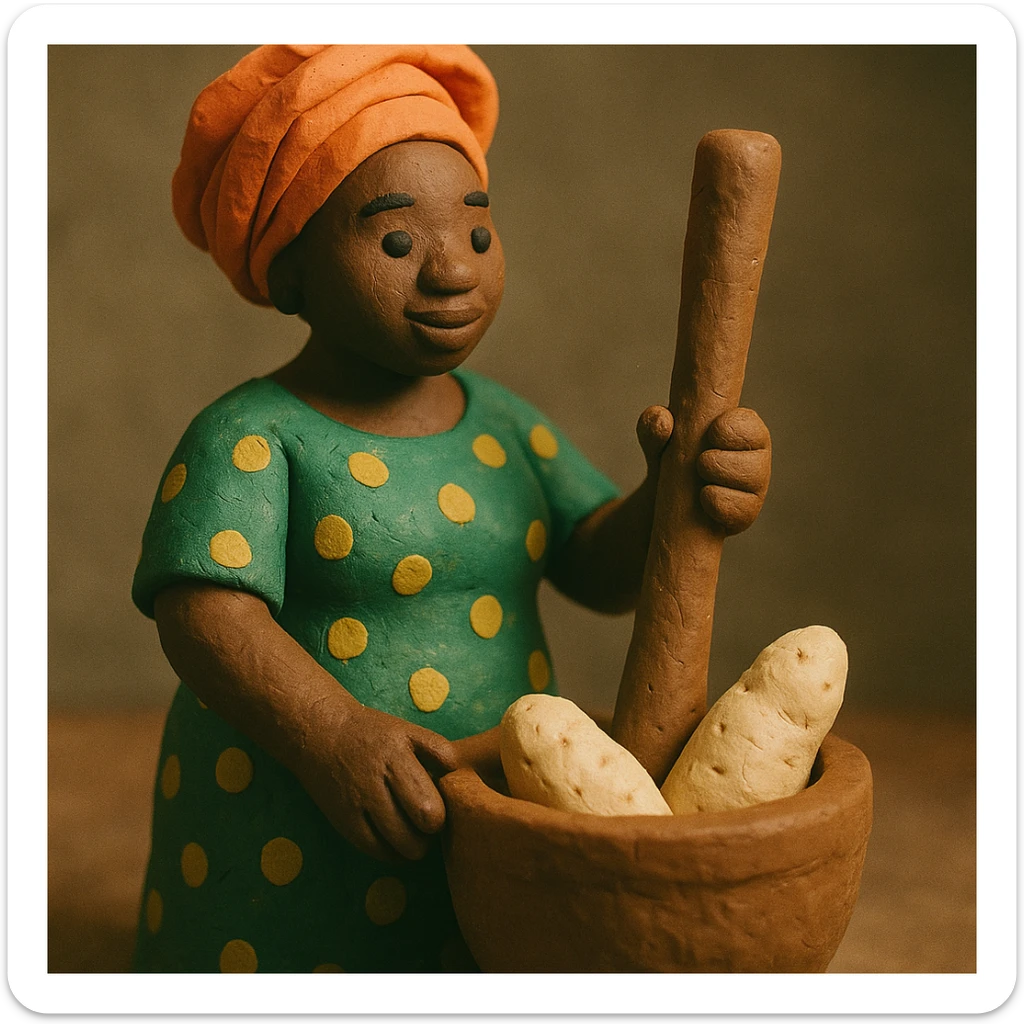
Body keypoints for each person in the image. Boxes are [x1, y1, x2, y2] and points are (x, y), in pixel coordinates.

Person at [132, 45, 772, 973]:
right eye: (396, 242)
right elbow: (203, 614)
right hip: (283, 839)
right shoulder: (252, 434)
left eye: (476, 233)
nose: (452, 273)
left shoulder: (504, 425)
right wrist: (333, 734)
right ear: (291, 270)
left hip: (493, 829)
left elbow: (598, 563)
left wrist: (681, 498)